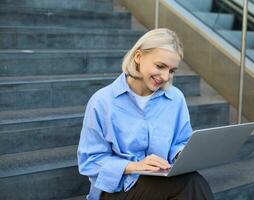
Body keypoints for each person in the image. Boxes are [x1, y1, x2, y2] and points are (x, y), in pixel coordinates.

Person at [77, 28, 214, 200]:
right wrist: (135, 166)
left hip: (161, 181)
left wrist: (181, 155)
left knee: (192, 181)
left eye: (172, 71)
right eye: (160, 66)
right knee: (191, 184)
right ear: (138, 57)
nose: (165, 77)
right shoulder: (103, 101)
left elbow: (180, 141)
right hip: (118, 190)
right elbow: (90, 161)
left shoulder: (175, 98)